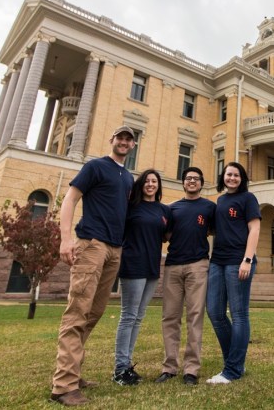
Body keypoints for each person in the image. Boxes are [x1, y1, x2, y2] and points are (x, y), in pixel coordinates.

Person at [50, 125, 136, 407]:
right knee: (77, 311)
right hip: (91, 244)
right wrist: (66, 239)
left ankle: (72, 374)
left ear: (133, 146)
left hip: (114, 249)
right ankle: (63, 386)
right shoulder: (95, 166)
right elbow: (71, 199)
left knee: (94, 312)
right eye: (119, 137)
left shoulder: (127, 177)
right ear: (111, 140)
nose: (123, 142)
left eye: (128, 139)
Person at [155, 167, 215, 386]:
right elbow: (166, 235)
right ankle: (169, 367)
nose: (192, 181)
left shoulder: (209, 207)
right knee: (170, 317)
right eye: (188, 178)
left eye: (196, 179)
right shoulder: (173, 208)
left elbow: (213, 230)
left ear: (201, 182)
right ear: (183, 183)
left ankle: (191, 369)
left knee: (195, 316)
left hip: (198, 266)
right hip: (172, 266)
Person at [112, 169, 170, 386]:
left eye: (154, 181)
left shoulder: (163, 210)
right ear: (141, 185)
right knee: (128, 316)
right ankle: (120, 368)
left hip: (152, 267)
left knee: (138, 316)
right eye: (147, 181)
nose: (150, 184)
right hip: (133, 265)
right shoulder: (131, 208)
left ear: (158, 185)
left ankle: (127, 365)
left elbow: (168, 234)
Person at [205, 162, 261, 384]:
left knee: (239, 315)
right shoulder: (220, 200)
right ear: (223, 177)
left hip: (238, 261)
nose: (232, 178)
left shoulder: (248, 199)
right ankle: (234, 361)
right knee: (215, 313)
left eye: (236, 175)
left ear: (242, 178)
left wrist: (247, 260)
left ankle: (233, 370)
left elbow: (254, 229)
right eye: (229, 174)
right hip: (217, 261)